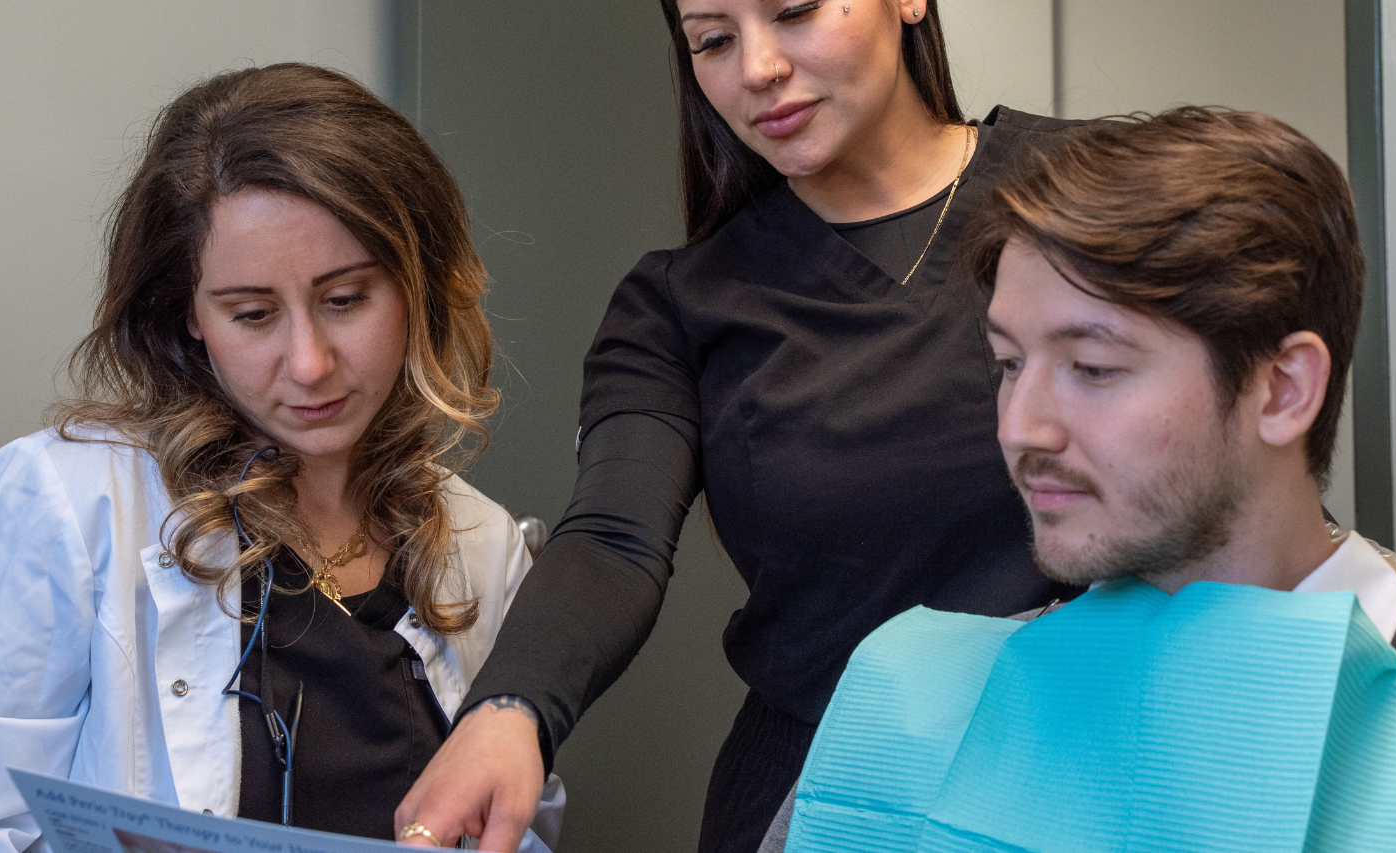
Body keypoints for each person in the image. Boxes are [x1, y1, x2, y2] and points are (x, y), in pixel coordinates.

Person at [764, 107, 1396, 852]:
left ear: (1283, 389)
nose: (1020, 428)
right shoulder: (908, 707)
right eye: (1007, 363)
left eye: (1094, 367)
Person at [396, 3, 1089, 851]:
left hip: (1094, 758)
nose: (756, 68)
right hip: (822, 796)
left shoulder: (1095, 186)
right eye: (713, 42)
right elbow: (613, 537)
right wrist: (511, 707)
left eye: (794, 11)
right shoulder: (680, 304)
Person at [0, 63, 562, 853]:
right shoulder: (58, 506)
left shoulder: (485, 543)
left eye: (346, 300)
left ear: (417, 287)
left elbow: (518, 829)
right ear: (187, 314)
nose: (308, 362)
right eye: (252, 314)